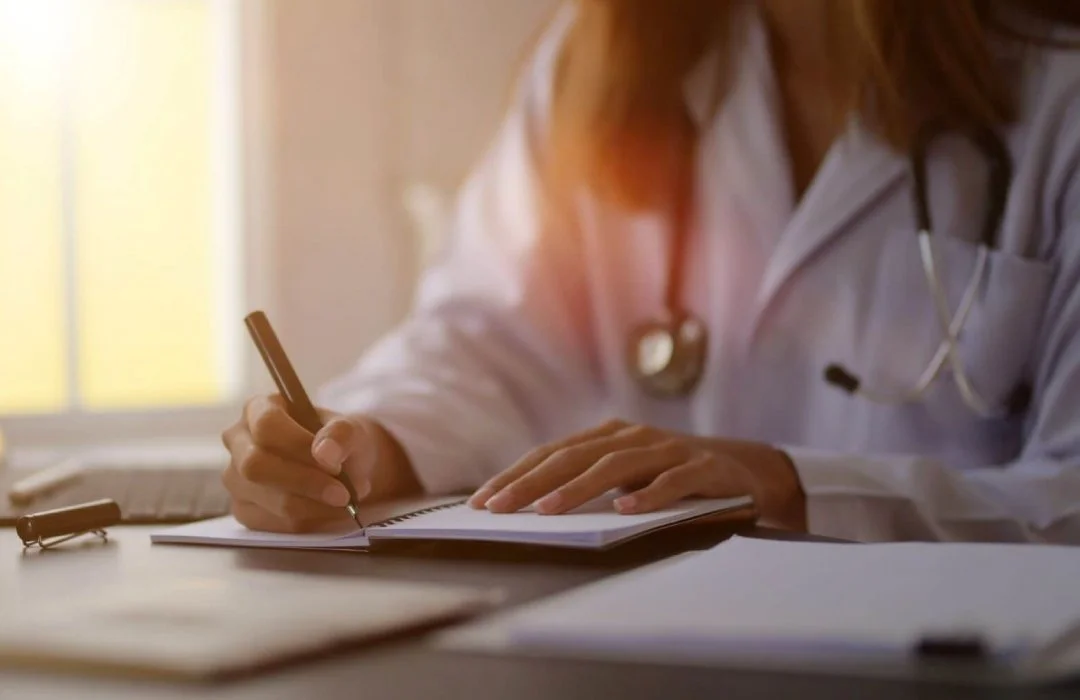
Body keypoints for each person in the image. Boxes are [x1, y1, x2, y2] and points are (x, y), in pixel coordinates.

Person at [222, 0, 1080, 543]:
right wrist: (362, 442)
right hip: (652, 647)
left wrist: (787, 483)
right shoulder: (599, 63)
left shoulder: (1058, 86)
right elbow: (482, 341)